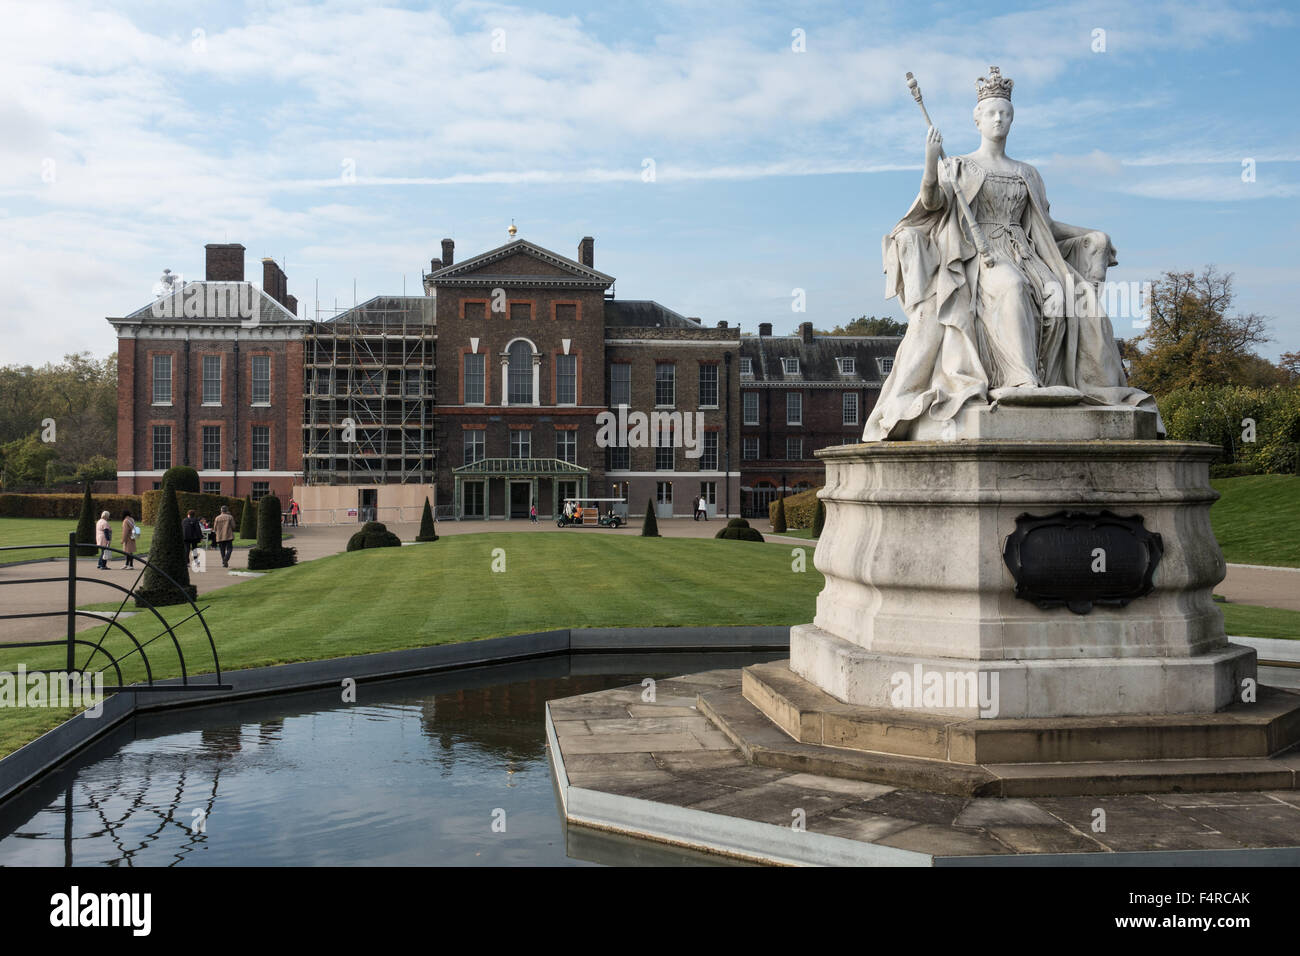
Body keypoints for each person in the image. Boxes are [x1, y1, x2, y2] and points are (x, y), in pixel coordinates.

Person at [864, 66, 1159, 441]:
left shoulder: (1027, 172)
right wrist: (930, 159)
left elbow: (1045, 227)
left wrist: (1092, 235)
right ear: (977, 119)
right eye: (991, 113)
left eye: (1005, 113)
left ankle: (1094, 383)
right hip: (978, 256)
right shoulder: (959, 166)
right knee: (1011, 286)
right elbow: (931, 203)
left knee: (1074, 295)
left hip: (1028, 251)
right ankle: (1021, 380)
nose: (999, 119)